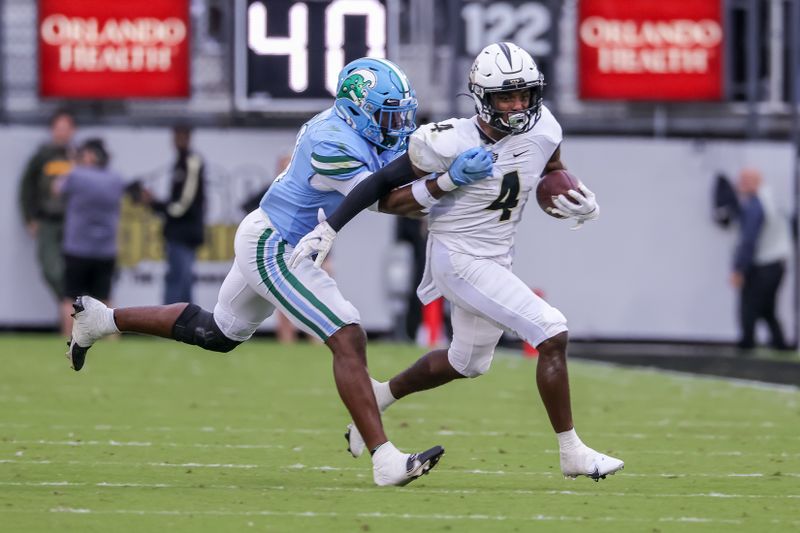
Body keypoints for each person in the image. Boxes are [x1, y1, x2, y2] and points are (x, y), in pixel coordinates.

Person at [65, 57, 494, 486]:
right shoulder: (333, 142)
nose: (398, 124)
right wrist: (449, 179)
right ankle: (385, 459)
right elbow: (388, 201)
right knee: (347, 333)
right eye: (388, 115)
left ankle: (102, 319)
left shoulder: (354, 126)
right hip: (276, 246)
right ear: (357, 109)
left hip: (275, 235)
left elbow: (403, 160)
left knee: (217, 333)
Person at [291, 42, 625, 481]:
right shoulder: (445, 140)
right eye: (507, 96)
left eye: (525, 94)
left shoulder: (543, 126)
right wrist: (332, 226)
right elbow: (382, 186)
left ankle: (379, 394)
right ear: (483, 99)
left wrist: (578, 197)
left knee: (467, 362)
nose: (519, 105)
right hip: (457, 256)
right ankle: (572, 452)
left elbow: (552, 168)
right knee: (551, 330)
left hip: (496, 257)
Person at [52, 139, 124, 324]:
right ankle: (111, 344)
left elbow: (57, 188)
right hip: (106, 249)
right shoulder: (115, 179)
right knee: (105, 301)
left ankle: (67, 343)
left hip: (77, 248)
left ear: (90, 156)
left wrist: (74, 164)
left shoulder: (77, 175)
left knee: (70, 299)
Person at [18, 108, 76, 334]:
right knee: (50, 268)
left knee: (77, 269)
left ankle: (72, 316)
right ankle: (68, 301)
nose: (62, 132)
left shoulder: (78, 156)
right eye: (58, 127)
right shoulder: (41, 156)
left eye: (66, 127)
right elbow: (26, 189)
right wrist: (29, 218)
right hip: (48, 223)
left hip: (73, 224)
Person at [730, 167, 791, 351]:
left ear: (754, 182)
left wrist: (739, 268)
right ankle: (779, 343)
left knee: (748, 306)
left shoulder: (756, 204)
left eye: (743, 180)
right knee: (767, 307)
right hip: (777, 262)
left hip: (763, 264)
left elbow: (749, 240)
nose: (739, 185)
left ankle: (747, 344)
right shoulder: (772, 199)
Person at [146, 125, 206, 304]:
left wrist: (156, 204)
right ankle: (178, 325)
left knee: (179, 280)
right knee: (178, 278)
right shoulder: (180, 161)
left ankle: (174, 323)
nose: (177, 140)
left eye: (181, 136)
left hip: (185, 233)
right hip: (176, 232)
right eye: (175, 136)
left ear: (188, 137)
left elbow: (183, 204)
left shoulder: (192, 161)